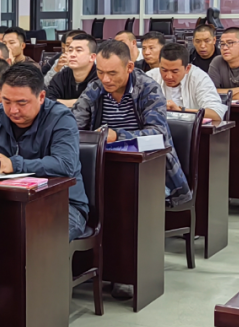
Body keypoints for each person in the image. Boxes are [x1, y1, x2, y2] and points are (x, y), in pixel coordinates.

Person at [0, 64, 89, 241]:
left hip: (63, 204)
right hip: (6, 202)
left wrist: (14, 164)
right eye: (6, 101)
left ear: (41, 97)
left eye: (21, 103)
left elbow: (65, 164)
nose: (13, 110)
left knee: (34, 238)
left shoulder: (61, 118)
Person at [72, 40, 192, 207]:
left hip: (148, 167)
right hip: (103, 164)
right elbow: (73, 126)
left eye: (112, 73)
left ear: (129, 67)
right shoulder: (95, 88)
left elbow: (158, 134)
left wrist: (117, 135)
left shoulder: (148, 89)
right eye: (100, 72)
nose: (105, 79)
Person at [148, 43, 226, 122]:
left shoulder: (199, 77)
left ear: (187, 69)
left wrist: (181, 111)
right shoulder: (150, 77)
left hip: (193, 129)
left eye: (175, 71)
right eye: (164, 70)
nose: (168, 76)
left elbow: (216, 114)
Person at [47, 33, 98, 107]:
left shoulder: (100, 77)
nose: (72, 55)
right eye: (70, 50)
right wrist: (82, 102)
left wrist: (60, 102)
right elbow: (48, 101)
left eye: (78, 50)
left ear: (92, 57)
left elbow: (97, 102)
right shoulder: (62, 76)